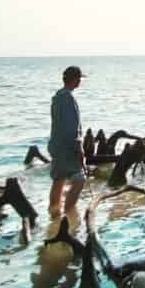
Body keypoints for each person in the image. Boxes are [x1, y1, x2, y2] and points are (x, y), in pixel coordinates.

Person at [48, 65, 86, 217]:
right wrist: (79, 149)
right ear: (74, 79)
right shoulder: (68, 98)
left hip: (55, 145)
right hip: (67, 147)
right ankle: (68, 213)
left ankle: (54, 214)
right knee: (80, 180)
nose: (80, 82)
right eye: (79, 79)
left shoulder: (57, 96)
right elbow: (72, 128)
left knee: (59, 179)